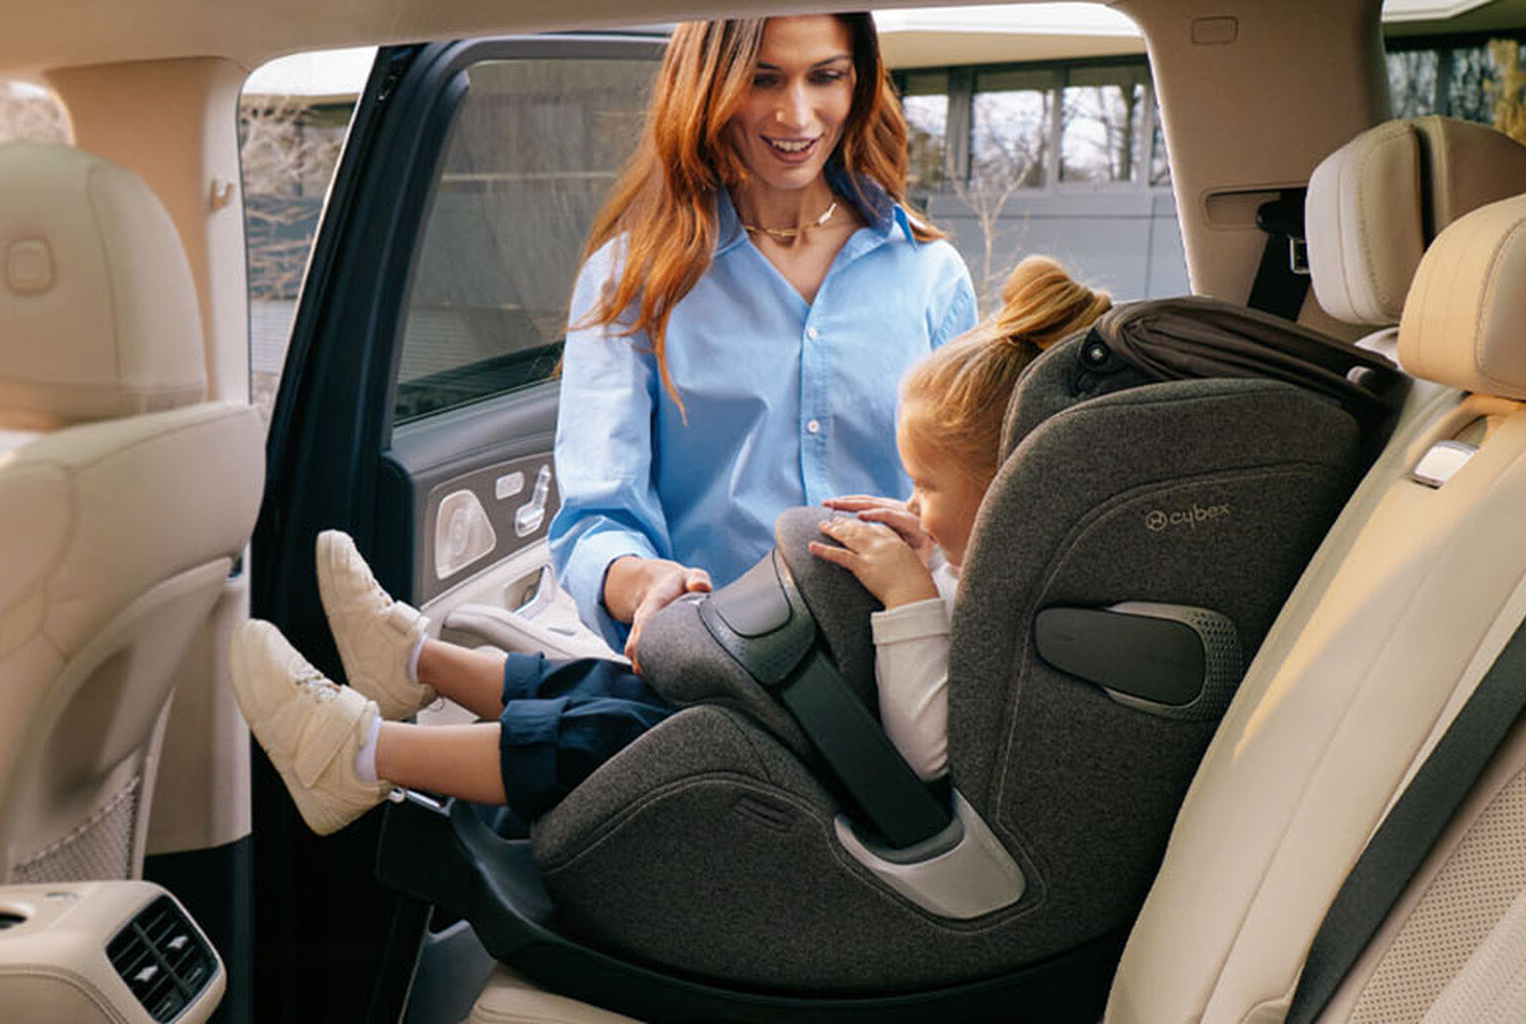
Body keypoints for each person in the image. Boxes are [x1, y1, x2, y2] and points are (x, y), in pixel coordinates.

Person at [233, 258, 1114, 833]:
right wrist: (935, 549)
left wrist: (910, 597)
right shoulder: (987, 566)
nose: (911, 504)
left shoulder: (1009, 607)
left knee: (627, 733)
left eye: (928, 489)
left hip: (851, 800)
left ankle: (359, 758)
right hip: (813, 735)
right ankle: (417, 663)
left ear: (1010, 489)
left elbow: (924, 759)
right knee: (633, 686)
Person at [550, 11, 976, 648]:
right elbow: (596, 521)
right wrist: (645, 584)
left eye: (825, 76)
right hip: (717, 657)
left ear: (857, 84)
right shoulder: (629, 281)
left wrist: (937, 544)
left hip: (900, 656)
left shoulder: (930, 274)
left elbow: (978, 500)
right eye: (763, 80)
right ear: (709, 88)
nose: (796, 116)